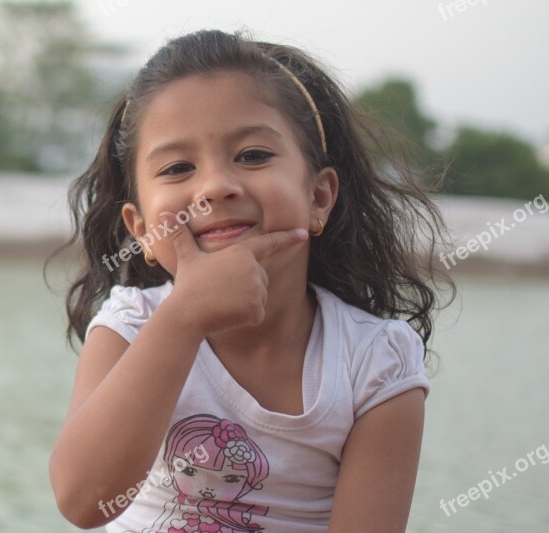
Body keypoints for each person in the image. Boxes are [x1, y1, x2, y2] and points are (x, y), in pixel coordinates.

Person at [48, 28, 454, 532]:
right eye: (177, 167)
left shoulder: (373, 363)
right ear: (141, 231)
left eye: (253, 156)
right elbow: (85, 501)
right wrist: (183, 317)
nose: (216, 186)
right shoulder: (129, 326)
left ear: (319, 197)